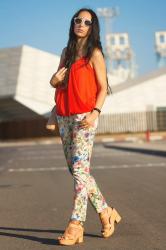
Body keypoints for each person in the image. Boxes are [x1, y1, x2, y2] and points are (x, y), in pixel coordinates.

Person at [50, 8, 122, 246]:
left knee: (80, 171)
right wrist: (54, 81)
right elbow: (57, 84)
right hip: (64, 116)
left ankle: (75, 224)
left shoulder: (95, 53)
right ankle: (105, 212)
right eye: (77, 20)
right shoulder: (66, 53)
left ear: (93, 27)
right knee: (77, 171)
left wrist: (95, 112)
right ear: (73, 24)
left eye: (86, 22)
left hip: (85, 117)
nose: (80, 24)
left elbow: (103, 87)